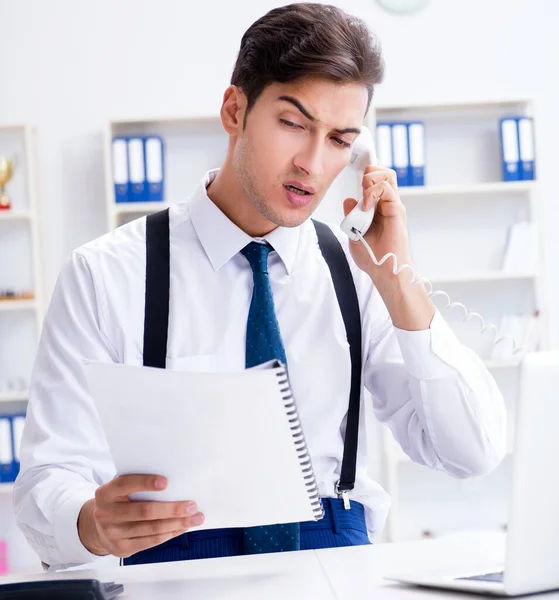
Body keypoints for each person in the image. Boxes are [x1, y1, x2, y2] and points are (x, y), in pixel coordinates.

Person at [14, 2, 506, 570]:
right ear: (234, 110)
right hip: (180, 579)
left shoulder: (360, 273)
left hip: (335, 572)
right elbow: (44, 484)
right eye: (294, 124)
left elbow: (471, 453)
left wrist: (402, 284)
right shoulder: (105, 275)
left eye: (341, 140)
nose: (312, 165)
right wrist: (90, 523)